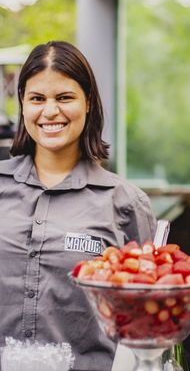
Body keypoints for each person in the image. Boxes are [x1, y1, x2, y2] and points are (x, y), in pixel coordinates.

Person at [0, 41, 157, 370]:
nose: (50, 111)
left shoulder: (126, 204)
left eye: (64, 97)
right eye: (37, 99)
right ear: (23, 106)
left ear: (88, 103)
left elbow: (145, 321)